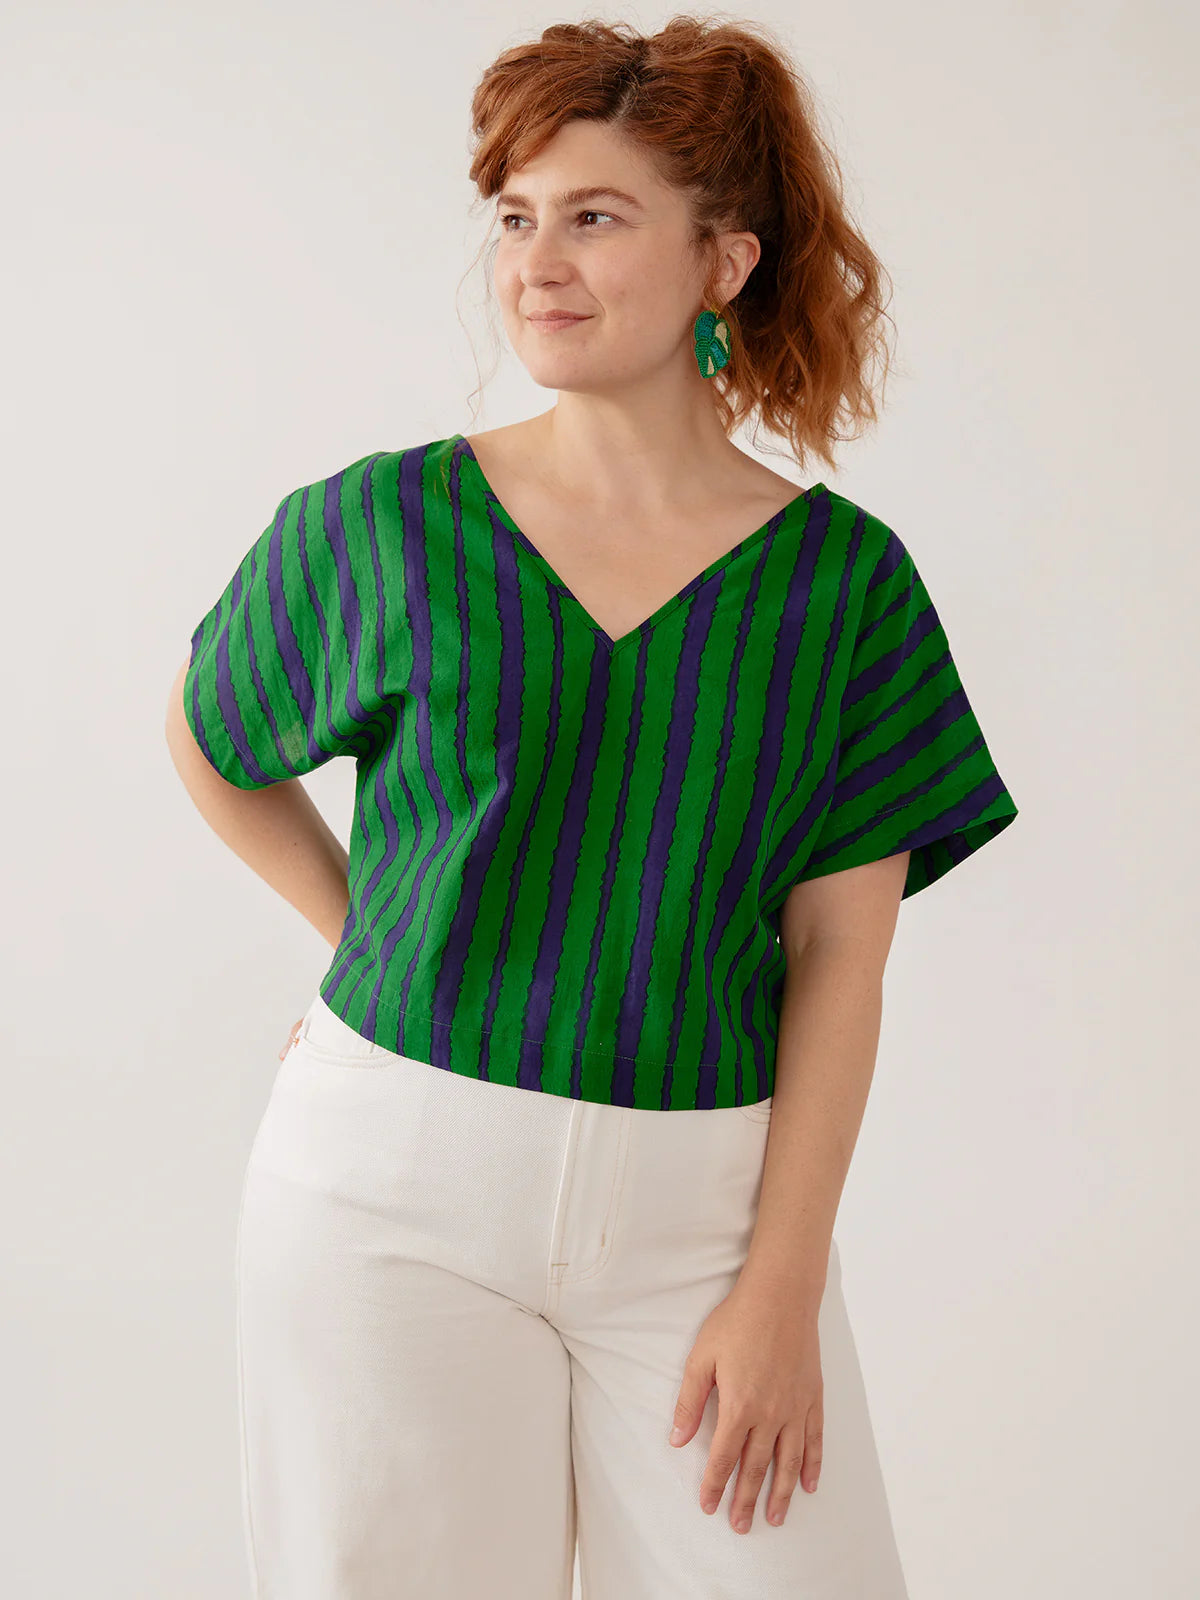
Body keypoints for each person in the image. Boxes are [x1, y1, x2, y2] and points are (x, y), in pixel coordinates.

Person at [166, 16, 1018, 1599]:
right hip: (384, 1191)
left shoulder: (844, 590)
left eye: (596, 216)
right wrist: (365, 938)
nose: (535, 262)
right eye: (515, 216)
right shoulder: (388, 522)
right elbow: (212, 734)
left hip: (706, 1220)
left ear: (723, 261)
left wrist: (782, 1288)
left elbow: (843, 956)